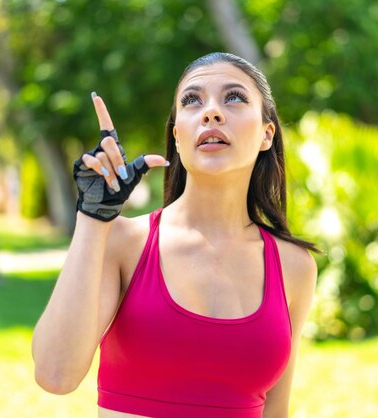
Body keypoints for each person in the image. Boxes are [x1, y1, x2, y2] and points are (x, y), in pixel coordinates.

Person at [32, 52, 318, 418]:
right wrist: (92, 217)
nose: (211, 112)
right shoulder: (123, 242)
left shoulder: (294, 266)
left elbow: (276, 411)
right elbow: (56, 375)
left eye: (234, 97)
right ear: (178, 137)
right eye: (192, 100)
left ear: (266, 134)